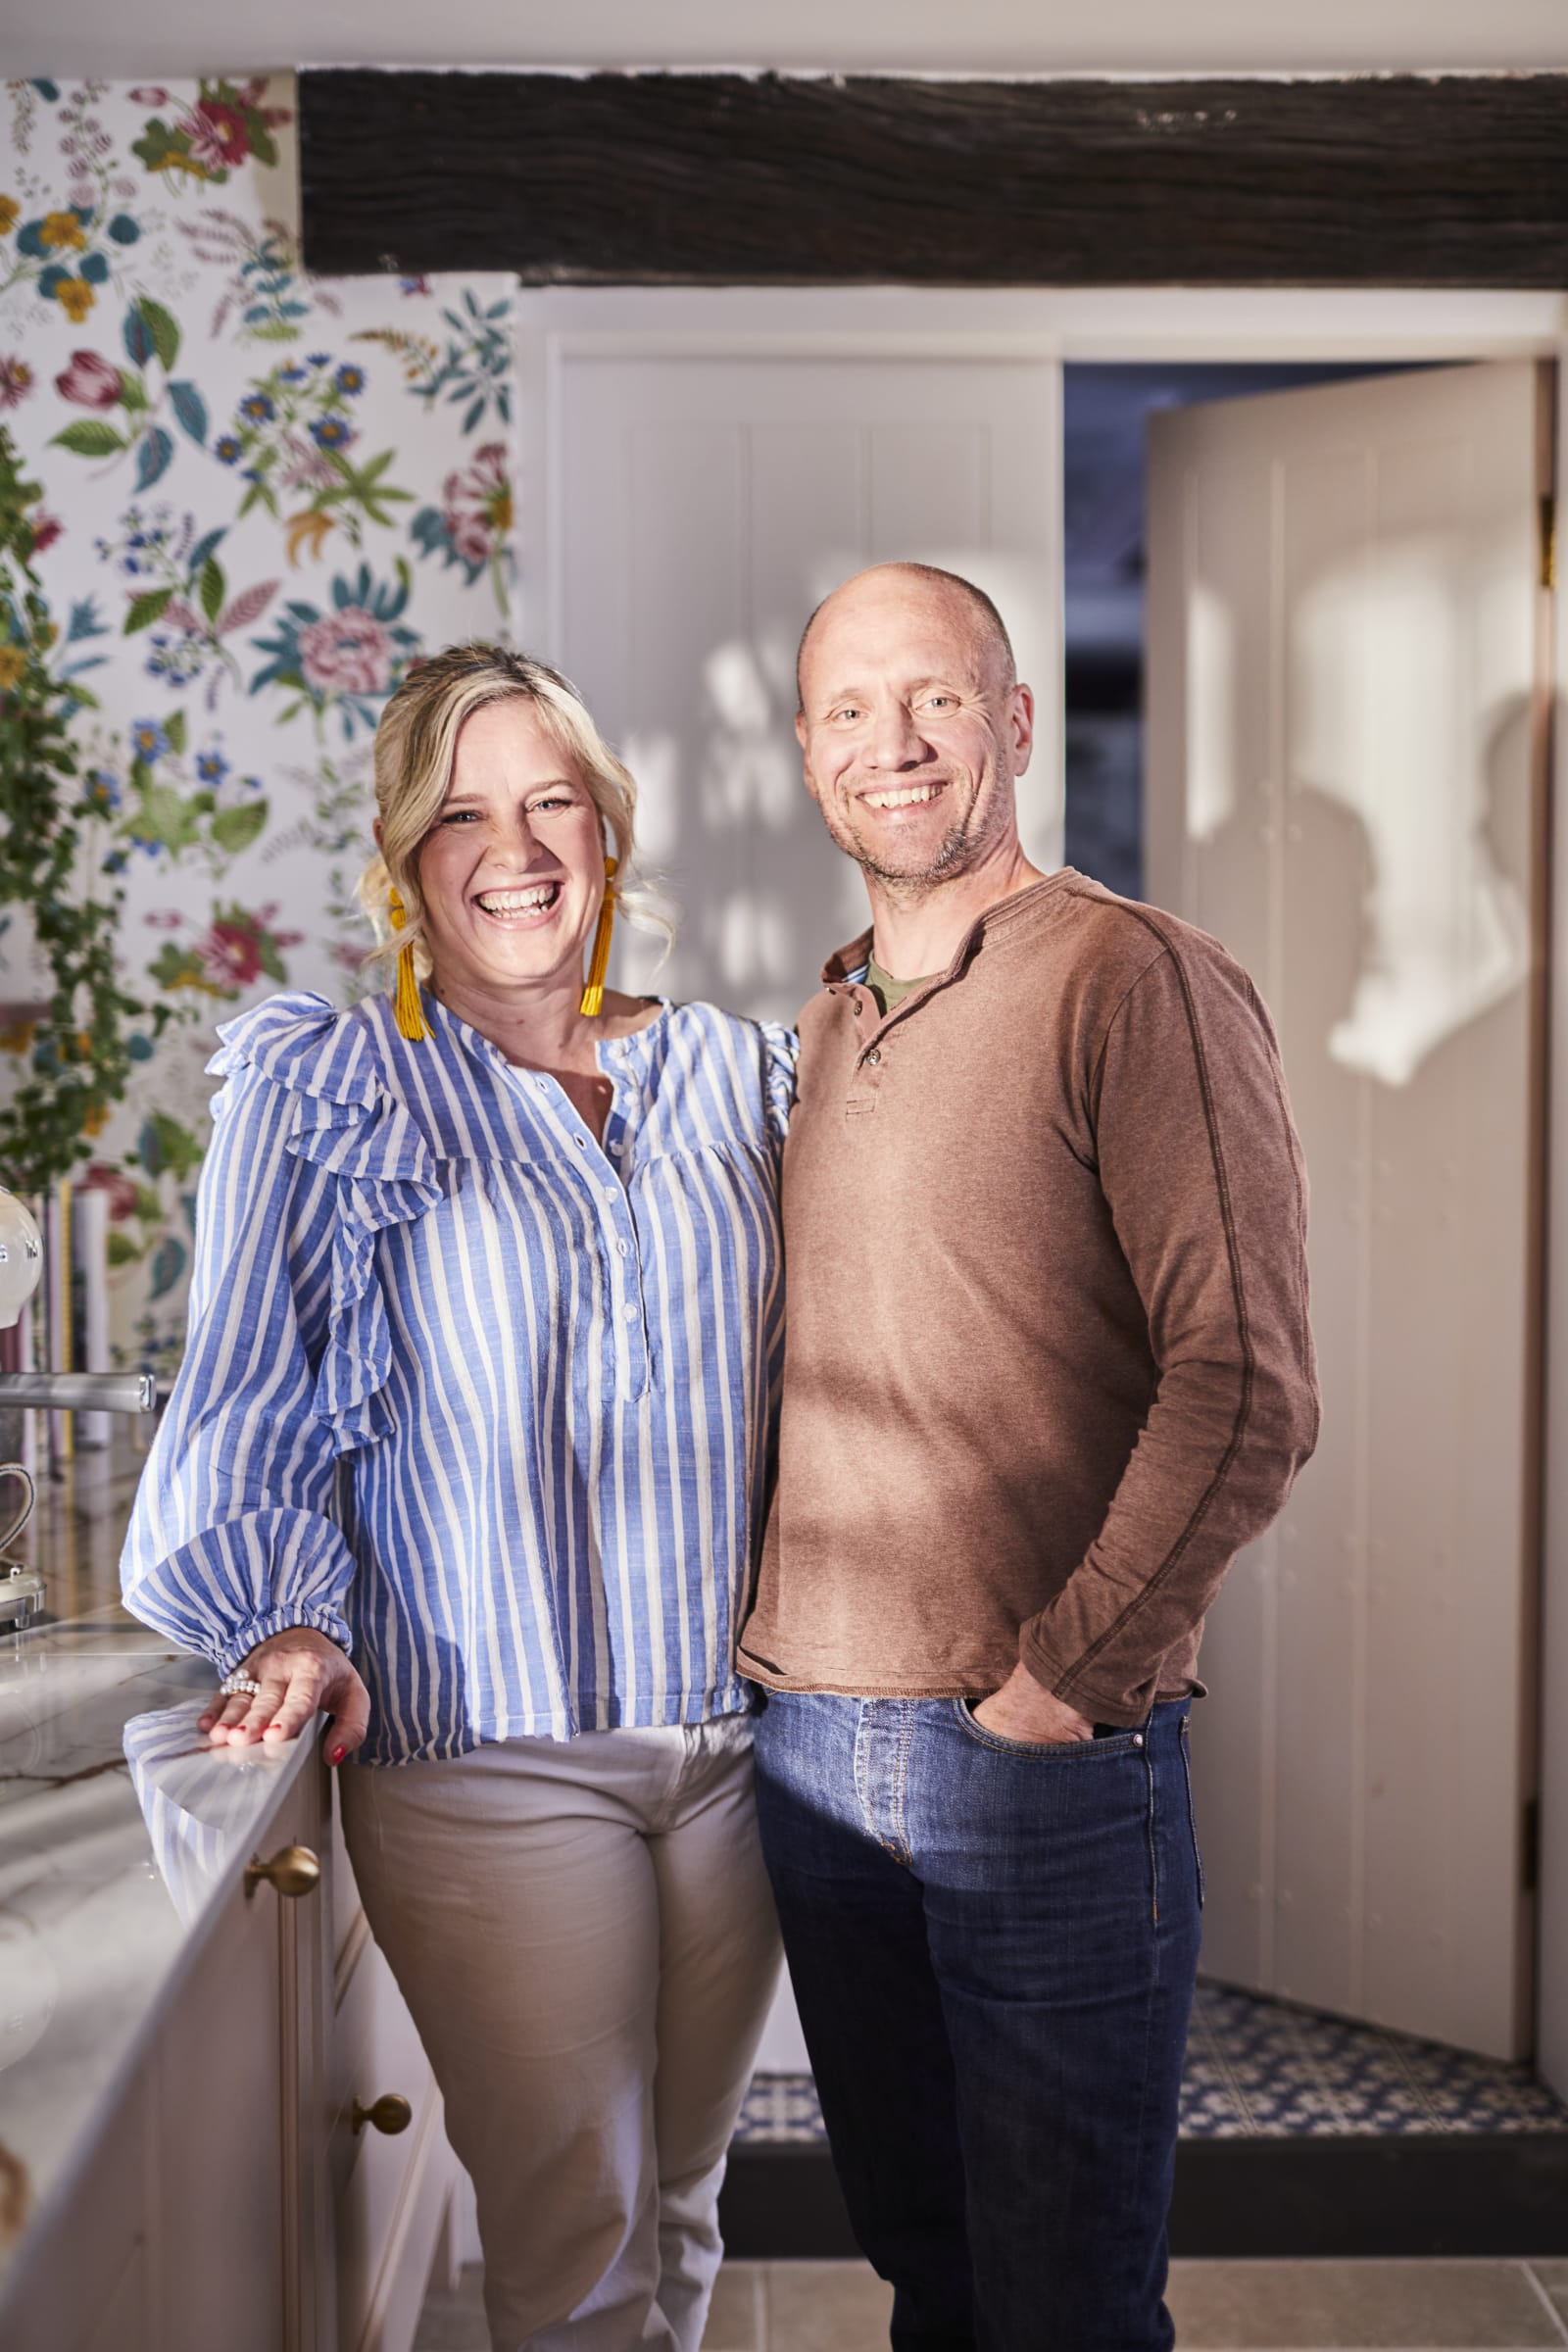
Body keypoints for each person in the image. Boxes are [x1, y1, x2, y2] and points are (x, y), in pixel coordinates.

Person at [122, 642, 795, 2352]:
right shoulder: (329, 1087)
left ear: (610, 834)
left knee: (688, 2190)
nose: (517, 848)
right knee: (578, 2229)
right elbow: (252, 1385)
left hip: (745, 1744)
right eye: (465, 813)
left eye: (553, 801)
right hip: (487, 1752)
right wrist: (282, 1609)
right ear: (409, 856)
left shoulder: (741, 1074)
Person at [741, 563, 1320, 2352]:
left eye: (931, 698)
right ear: (808, 755)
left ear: (1010, 723)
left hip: (1041, 1768)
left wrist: (1058, 1686)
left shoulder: (1137, 979)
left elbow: (1247, 1388)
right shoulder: (827, 1021)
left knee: (1065, 2309)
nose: (889, 745)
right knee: (936, 2276)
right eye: (847, 710)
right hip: (815, 1759)